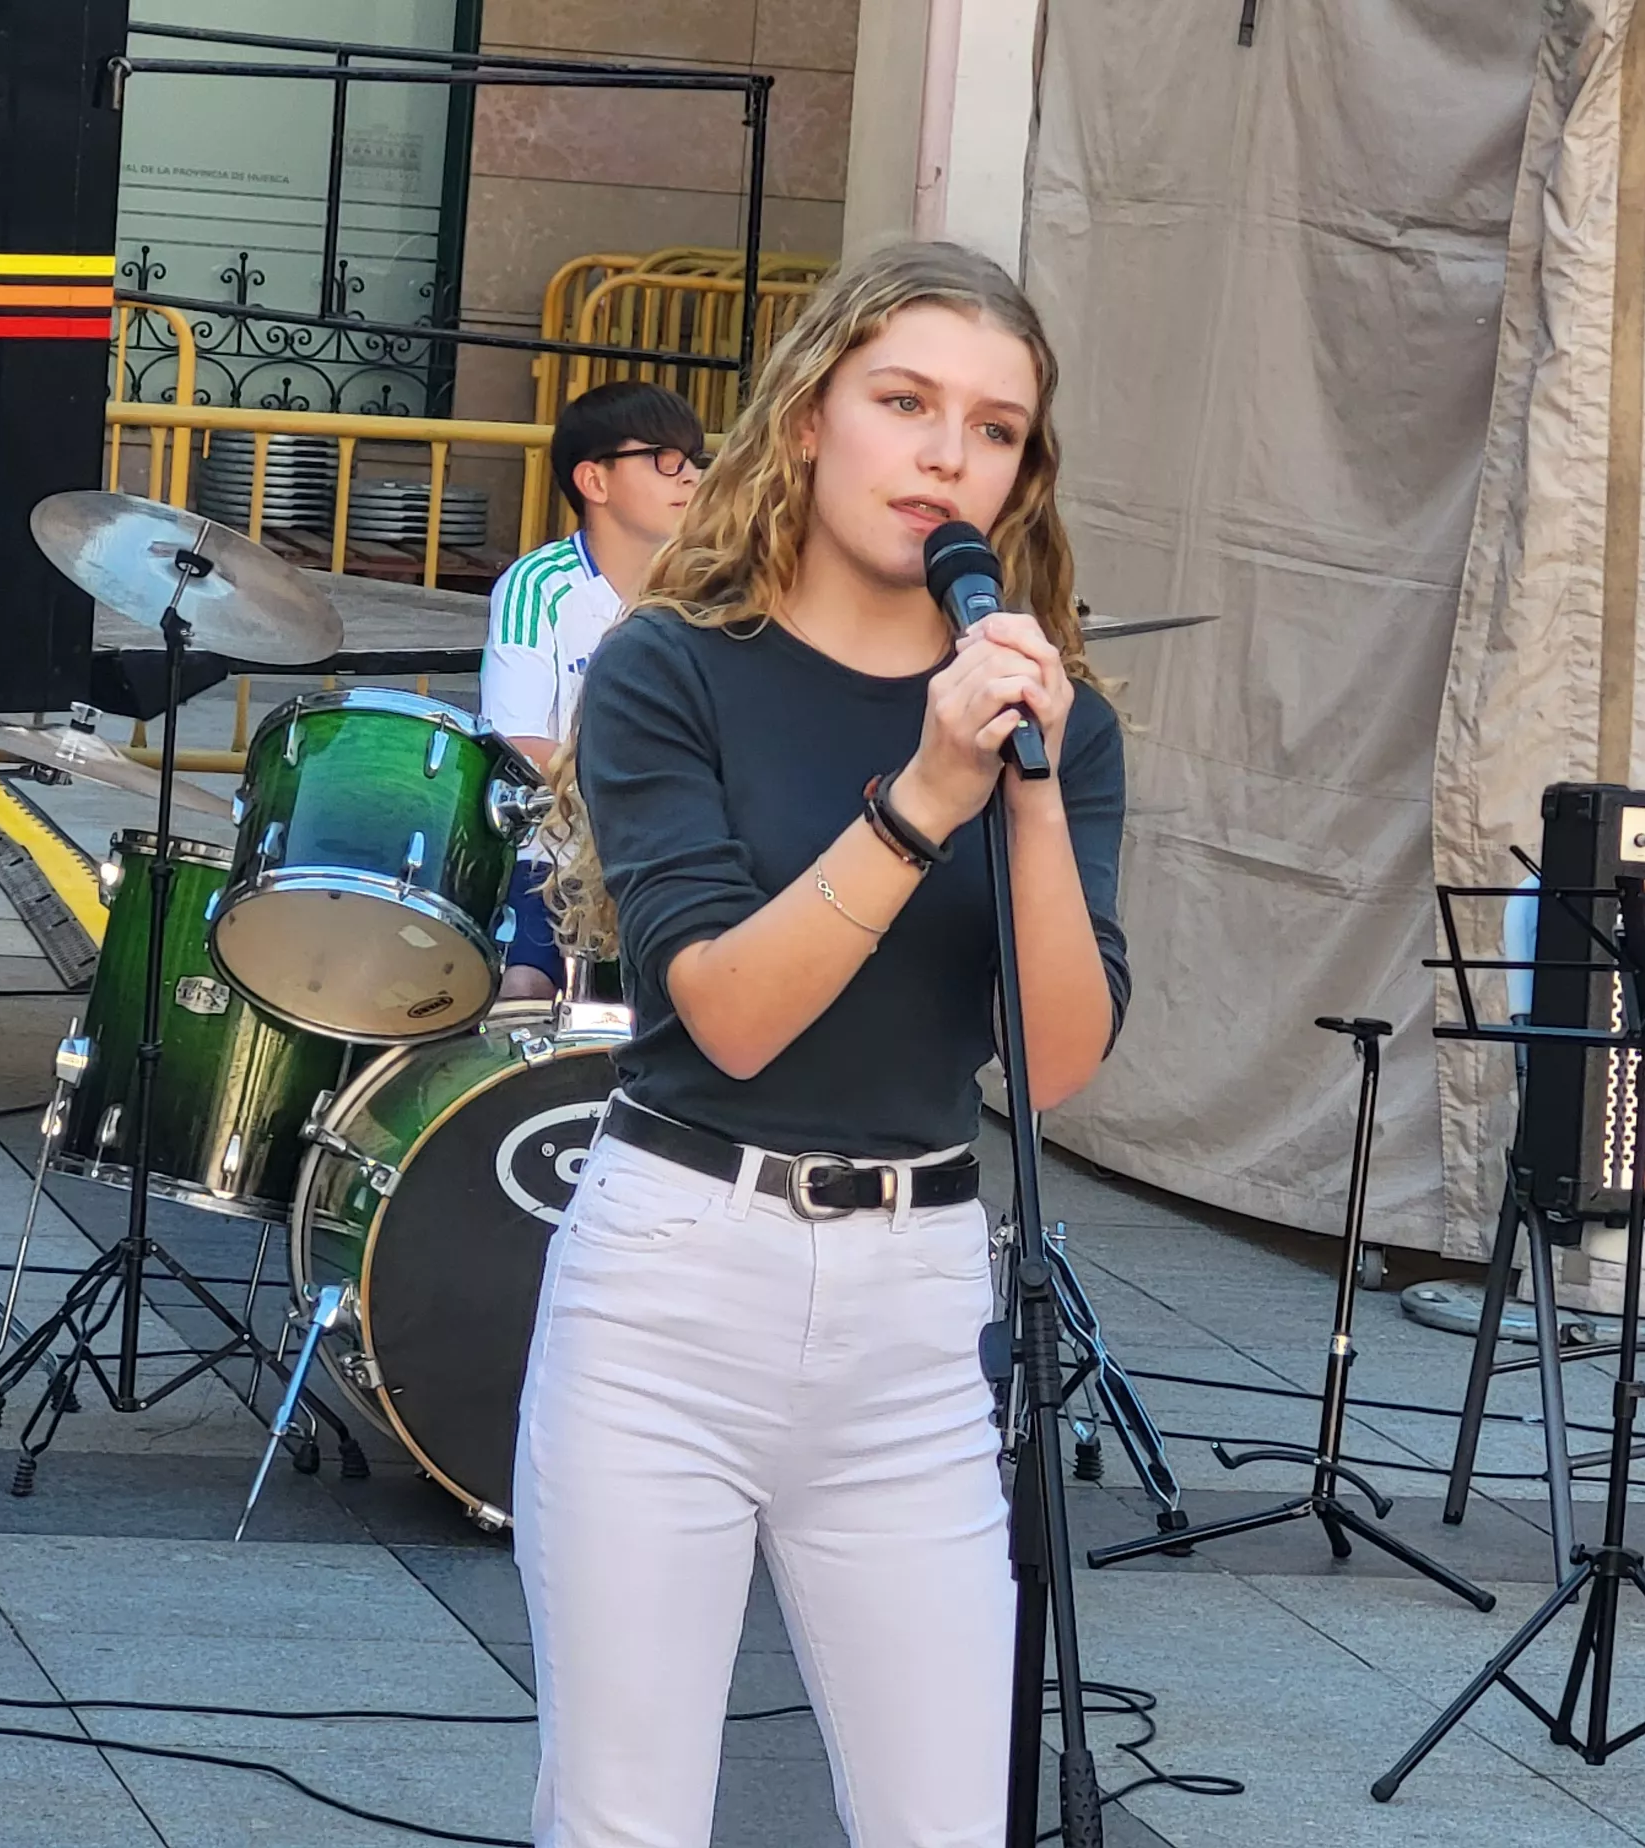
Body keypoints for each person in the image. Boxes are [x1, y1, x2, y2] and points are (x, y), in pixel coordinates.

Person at [515, 240, 1127, 1845]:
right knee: (625, 1814)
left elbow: (1052, 1066)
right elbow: (722, 1007)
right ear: (806, 422)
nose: (948, 455)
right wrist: (927, 794)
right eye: (906, 402)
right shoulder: (674, 667)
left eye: (995, 430)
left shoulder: (1055, 712)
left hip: (916, 1308)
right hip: (674, 1280)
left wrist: (1033, 784)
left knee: (950, 1820)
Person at [480, 380, 708, 1002]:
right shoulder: (538, 586)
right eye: (665, 459)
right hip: (555, 864)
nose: (689, 478)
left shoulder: (712, 591)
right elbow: (516, 742)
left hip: (679, 861)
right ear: (595, 482)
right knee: (522, 988)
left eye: (693, 460)